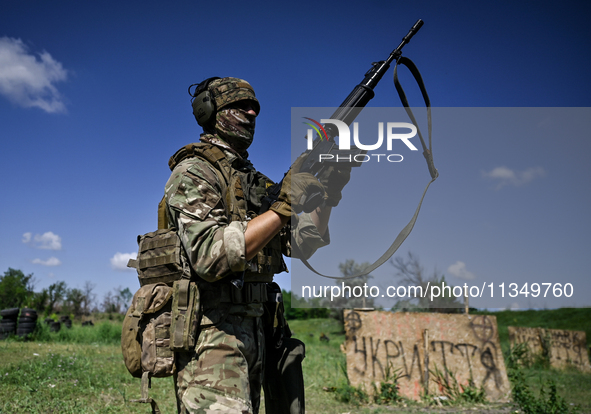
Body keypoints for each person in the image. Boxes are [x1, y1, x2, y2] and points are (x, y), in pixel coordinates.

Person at [163, 77, 348, 414]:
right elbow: (209, 255)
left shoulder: (253, 181)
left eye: (255, 108)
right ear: (210, 110)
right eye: (239, 105)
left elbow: (300, 243)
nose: (251, 112)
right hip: (213, 333)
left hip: (258, 327)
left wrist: (329, 194)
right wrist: (284, 206)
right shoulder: (195, 171)